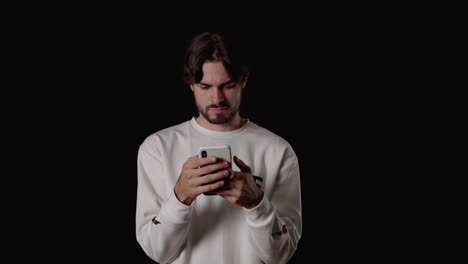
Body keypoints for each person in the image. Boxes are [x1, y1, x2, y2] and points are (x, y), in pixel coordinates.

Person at [136, 32, 302, 264]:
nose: (217, 98)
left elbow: (280, 256)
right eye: (205, 86)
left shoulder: (278, 151)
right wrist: (180, 197)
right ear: (190, 83)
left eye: (228, 86)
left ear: (243, 79)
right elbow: (157, 252)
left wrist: (256, 204)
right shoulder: (157, 148)